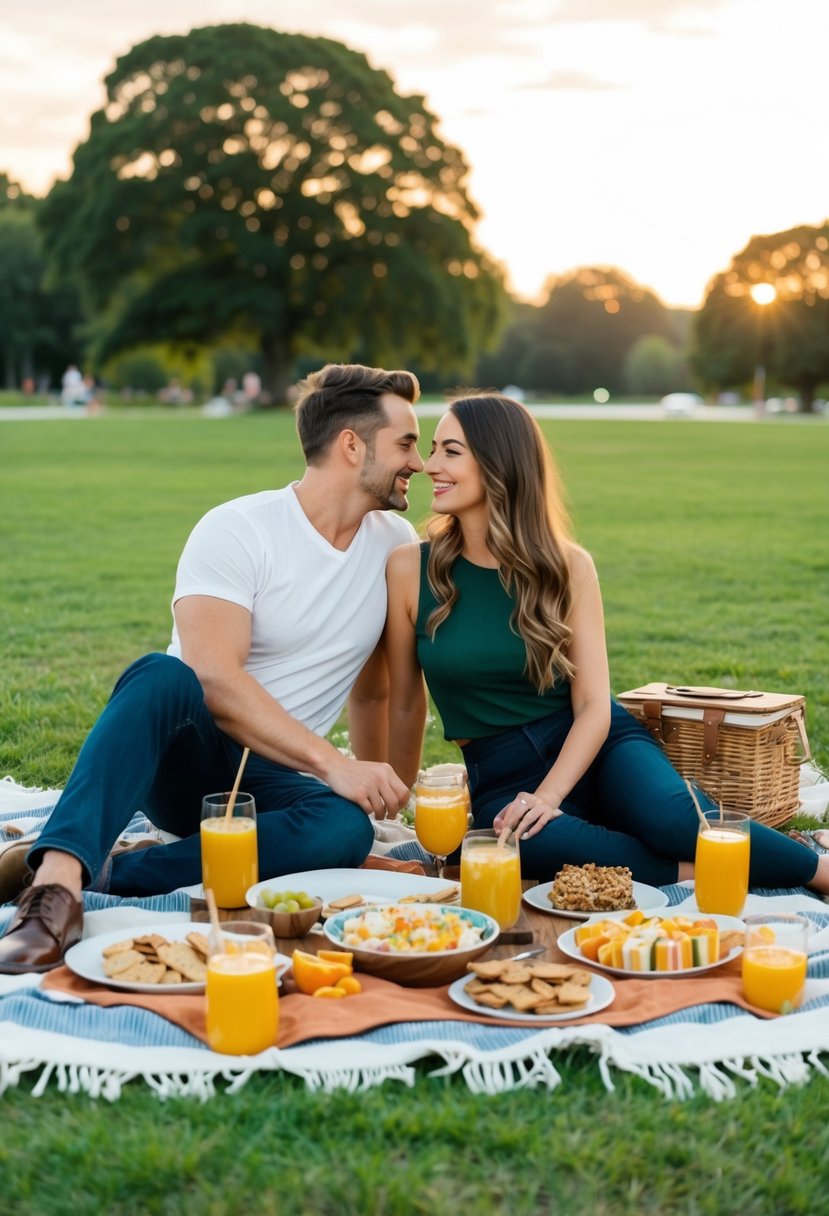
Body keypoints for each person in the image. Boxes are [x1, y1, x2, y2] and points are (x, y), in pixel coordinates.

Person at [0, 363, 425, 973]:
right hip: (192, 760)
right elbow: (214, 678)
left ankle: (116, 870)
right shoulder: (239, 528)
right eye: (406, 442)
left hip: (280, 781)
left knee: (343, 829)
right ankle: (56, 892)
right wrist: (334, 763)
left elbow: (376, 690)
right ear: (351, 445)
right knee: (163, 674)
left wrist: (384, 794)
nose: (419, 459)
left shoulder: (393, 541)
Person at [385, 393, 829, 897]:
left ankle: (818, 869)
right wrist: (401, 799)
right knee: (511, 843)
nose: (428, 465)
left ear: (498, 465)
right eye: (433, 449)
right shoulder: (408, 568)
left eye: (450, 451)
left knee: (669, 819)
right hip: (499, 768)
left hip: (595, 741)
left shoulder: (568, 566)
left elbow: (595, 704)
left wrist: (550, 794)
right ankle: (697, 871)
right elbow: (404, 702)